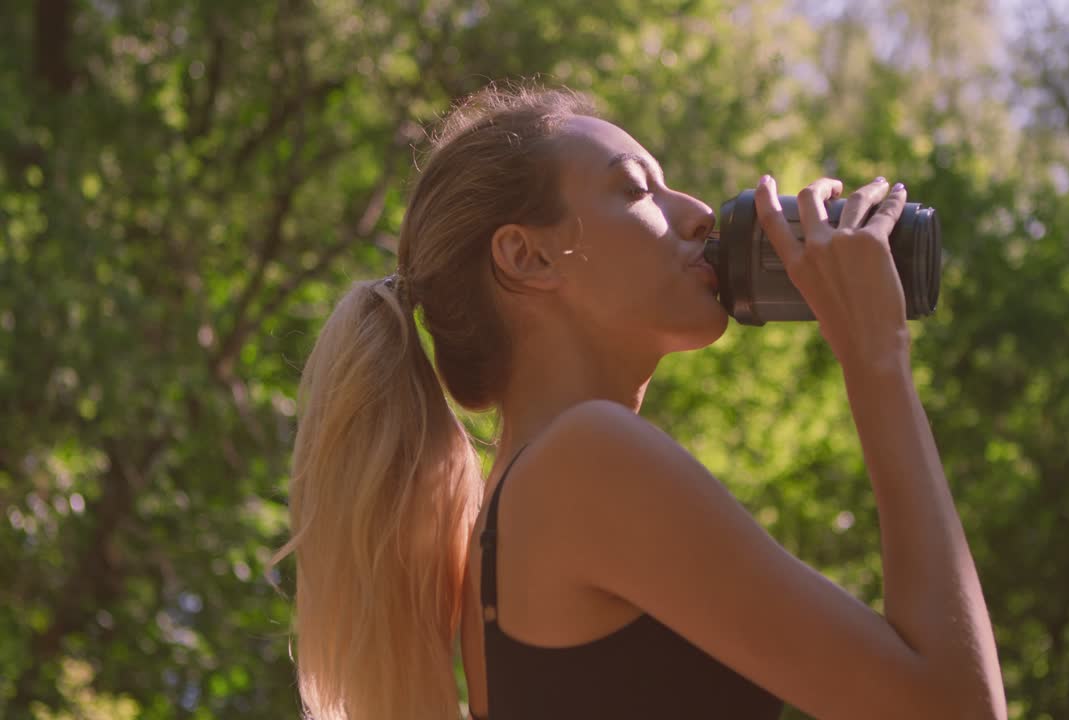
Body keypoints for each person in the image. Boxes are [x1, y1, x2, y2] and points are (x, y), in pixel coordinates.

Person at [271, 80, 1006, 720]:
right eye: (635, 189)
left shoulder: (522, 509)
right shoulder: (585, 463)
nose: (697, 214)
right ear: (527, 257)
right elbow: (956, 711)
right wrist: (876, 357)